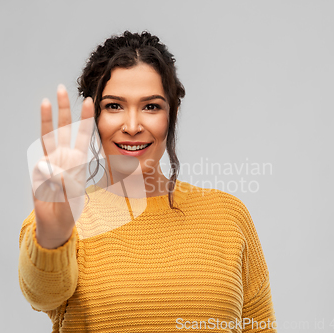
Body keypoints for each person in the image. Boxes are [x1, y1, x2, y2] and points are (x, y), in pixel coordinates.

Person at [18, 30, 277, 332]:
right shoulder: (59, 218)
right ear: (94, 118)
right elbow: (42, 293)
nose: (132, 126)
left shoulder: (229, 217)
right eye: (114, 106)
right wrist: (53, 237)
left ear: (171, 114)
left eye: (151, 106)